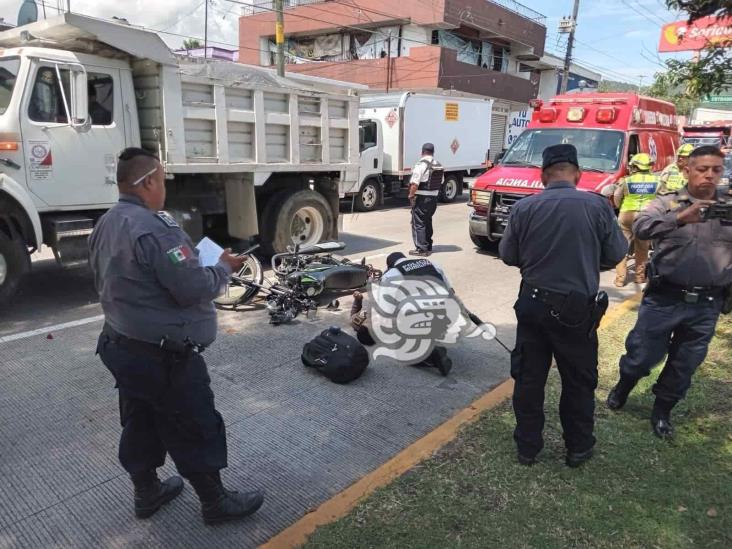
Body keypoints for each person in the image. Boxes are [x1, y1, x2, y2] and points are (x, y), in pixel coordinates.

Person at [89, 147, 264, 524]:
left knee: (141, 419)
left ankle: (146, 492)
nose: (164, 187)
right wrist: (222, 268)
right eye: (163, 179)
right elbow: (191, 288)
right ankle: (215, 502)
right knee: (193, 423)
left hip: (122, 346)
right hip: (162, 358)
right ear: (149, 181)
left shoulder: (106, 222)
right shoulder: (155, 227)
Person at [499, 144, 627, 468]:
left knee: (529, 379)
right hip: (576, 312)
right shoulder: (597, 206)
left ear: (543, 176)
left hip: (532, 305)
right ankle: (578, 448)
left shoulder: (525, 208)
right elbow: (615, 254)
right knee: (578, 382)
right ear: (578, 174)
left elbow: (508, 255)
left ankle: (527, 448)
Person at [607, 145, 731, 438]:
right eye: (703, 169)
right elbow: (641, 227)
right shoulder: (667, 203)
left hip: (706, 303)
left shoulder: (727, 208)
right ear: (687, 169)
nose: (709, 176)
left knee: (684, 363)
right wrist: (678, 218)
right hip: (665, 297)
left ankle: (662, 411)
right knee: (641, 355)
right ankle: (625, 385)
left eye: (716, 170)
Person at [350, 251, 453, 376]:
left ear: (390, 265)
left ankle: (431, 355)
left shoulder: (391, 274)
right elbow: (451, 291)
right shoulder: (431, 263)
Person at [613, 153, 660, 286]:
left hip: (626, 214)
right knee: (642, 248)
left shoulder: (627, 180)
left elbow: (617, 197)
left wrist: (620, 207)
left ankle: (620, 279)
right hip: (645, 217)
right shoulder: (657, 181)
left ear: (635, 166)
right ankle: (640, 277)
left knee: (622, 246)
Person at [408, 143, 444, 256]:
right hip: (433, 199)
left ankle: (421, 249)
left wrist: (411, 195)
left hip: (422, 198)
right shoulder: (438, 165)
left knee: (418, 222)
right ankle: (428, 245)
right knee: (427, 221)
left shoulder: (421, 165)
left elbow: (414, 184)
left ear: (422, 152)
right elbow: (441, 181)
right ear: (433, 152)